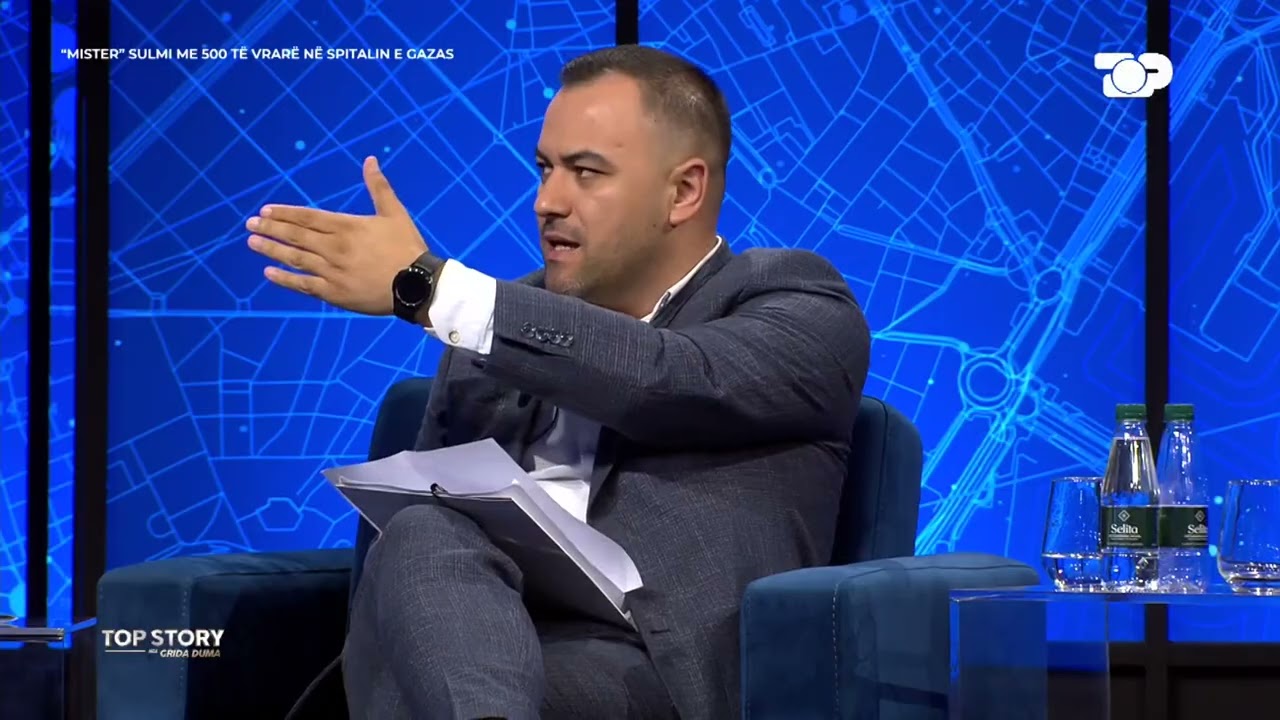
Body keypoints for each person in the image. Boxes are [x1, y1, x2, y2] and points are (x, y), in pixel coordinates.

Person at [246, 44, 871, 720]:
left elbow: (667, 378)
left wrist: (431, 290)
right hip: (475, 641)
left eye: (586, 172)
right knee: (423, 536)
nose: (547, 201)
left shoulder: (798, 304)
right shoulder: (489, 331)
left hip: (648, 673)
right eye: (545, 169)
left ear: (683, 192)